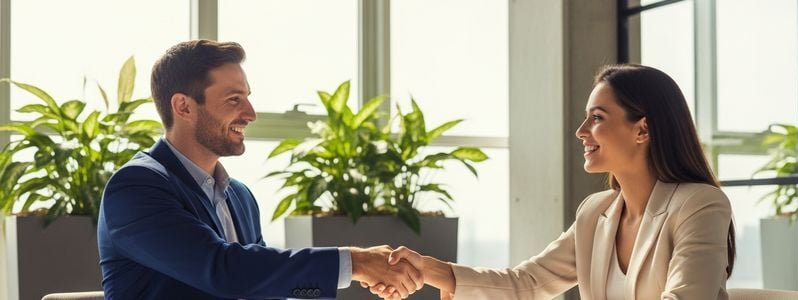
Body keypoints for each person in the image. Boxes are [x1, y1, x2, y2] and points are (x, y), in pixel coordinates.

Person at [368, 64, 737, 299]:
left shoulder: (699, 205)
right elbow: (527, 283)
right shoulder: (596, 213)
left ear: (642, 129)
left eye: (596, 118)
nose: (581, 132)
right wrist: (428, 269)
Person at [97, 40, 424, 299]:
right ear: (184, 106)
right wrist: (357, 263)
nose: (251, 113)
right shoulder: (135, 187)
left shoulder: (239, 196)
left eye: (248, 98)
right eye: (234, 99)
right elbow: (224, 272)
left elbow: (260, 284)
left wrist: (347, 279)